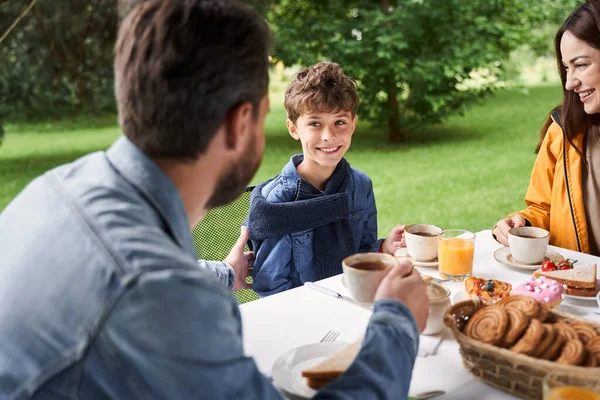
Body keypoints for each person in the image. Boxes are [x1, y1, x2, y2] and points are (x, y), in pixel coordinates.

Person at [0, 1, 429, 399]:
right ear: (242, 122)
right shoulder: (156, 292)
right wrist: (398, 323)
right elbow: (146, 287)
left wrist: (222, 275)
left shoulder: (49, 190)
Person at [246, 61, 406, 296]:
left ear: (353, 124)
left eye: (339, 122)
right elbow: (271, 288)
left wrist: (384, 247)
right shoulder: (276, 201)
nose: (329, 136)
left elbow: (361, 255)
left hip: (352, 301)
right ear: (293, 129)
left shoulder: (360, 185)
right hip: (301, 315)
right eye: (315, 123)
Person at [493, 0, 600, 256]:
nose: (570, 82)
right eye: (566, 67)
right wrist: (523, 222)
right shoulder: (563, 130)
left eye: (581, 64)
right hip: (578, 291)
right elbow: (544, 209)